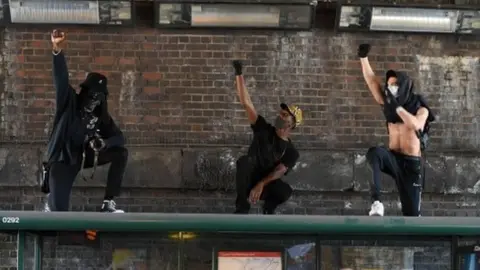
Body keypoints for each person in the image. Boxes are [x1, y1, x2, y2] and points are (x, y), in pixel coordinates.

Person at [41, 30, 128, 213]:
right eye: (91, 95)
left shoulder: (100, 116)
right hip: (63, 159)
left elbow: (120, 138)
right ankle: (51, 204)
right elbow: (61, 80)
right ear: (84, 92)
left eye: (98, 98)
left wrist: (104, 142)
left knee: (120, 153)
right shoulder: (69, 102)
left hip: (81, 157)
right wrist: (57, 50)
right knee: (59, 213)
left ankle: (108, 203)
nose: (94, 101)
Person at [358, 44, 435, 217]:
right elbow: (372, 80)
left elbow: (416, 125)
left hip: (411, 165)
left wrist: (397, 108)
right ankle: (377, 202)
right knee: (375, 153)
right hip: (393, 158)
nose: (390, 89)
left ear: (404, 87)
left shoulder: (421, 109)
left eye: (395, 85)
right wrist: (363, 58)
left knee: (412, 215)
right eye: (389, 85)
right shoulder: (388, 105)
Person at [232, 60, 303, 215]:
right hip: (249, 179)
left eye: (285, 116)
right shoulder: (263, 129)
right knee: (243, 161)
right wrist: (239, 74)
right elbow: (247, 103)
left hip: (264, 183)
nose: (280, 116)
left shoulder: (291, 152)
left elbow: (279, 171)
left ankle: (268, 211)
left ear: (292, 124)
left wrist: (261, 184)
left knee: (285, 191)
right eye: (280, 113)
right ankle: (242, 209)